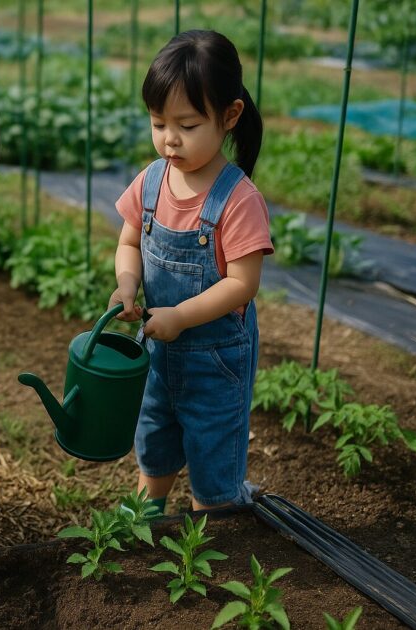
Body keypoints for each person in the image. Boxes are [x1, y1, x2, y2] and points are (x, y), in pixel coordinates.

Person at [109, 30, 274, 514]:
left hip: (215, 363)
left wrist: (180, 315)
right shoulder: (153, 180)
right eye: (158, 123)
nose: (169, 139)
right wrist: (126, 283)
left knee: (212, 456)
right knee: (155, 437)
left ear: (230, 117)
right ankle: (144, 516)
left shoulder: (238, 200)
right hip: (160, 351)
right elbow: (128, 241)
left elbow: (243, 284)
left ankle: (208, 534)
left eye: (186, 124)